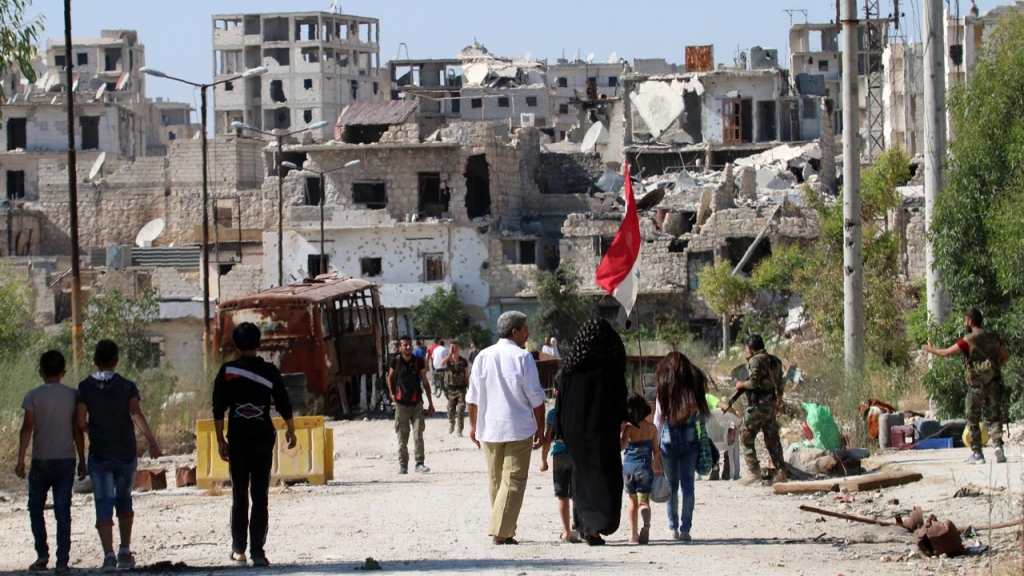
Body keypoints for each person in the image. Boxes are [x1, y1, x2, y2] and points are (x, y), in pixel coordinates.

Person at [213, 322, 297, 567]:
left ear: (236, 344)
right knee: (260, 496)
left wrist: (220, 439)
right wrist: (291, 430)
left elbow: (218, 408)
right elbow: (283, 403)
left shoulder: (227, 371)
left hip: (237, 439)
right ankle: (258, 552)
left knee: (239, 495)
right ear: (258, 343)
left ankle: (239, 551)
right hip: (262, 439)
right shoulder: (269, 371)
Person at [76, 340, 161, 572]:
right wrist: (152, 442)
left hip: (100, 454)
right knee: (124, 499)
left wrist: (92, 430)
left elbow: (80, 421)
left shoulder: (84, 387)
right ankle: (125, 550)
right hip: (125, 453)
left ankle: (109, 556)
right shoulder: (127, 386)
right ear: (117, 361)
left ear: (95, 361)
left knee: (103, 503)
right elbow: (136, 413)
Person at [467, 311, 546, 545]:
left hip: (490, 428)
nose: (527, 333)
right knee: (513, 481)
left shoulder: (482, 356)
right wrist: (540, 427)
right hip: (518, 427)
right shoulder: (523, 358)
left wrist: (473, 426)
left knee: (496, 480)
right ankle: (501, 532)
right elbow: (536, 397)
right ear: (515, 332)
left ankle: (504, 528)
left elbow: (473, 396)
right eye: (525, 329)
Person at [555, 318, 627, 546]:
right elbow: (620, 399)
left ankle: (584, 524)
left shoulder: (569, 366)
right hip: (602, 430)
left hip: (573, 429)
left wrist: (559, 429)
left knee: (581, 475)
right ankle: (594, 527)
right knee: (603, 476)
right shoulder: (609, 368)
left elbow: (561, 401)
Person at [17, 350, 85, 574]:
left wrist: (20, 459)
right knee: (63, 510)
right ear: (63, 372)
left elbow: (27, 429)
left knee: (35, 508)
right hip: (65, 460)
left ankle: (42, 554)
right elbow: (77, 430)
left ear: (41, 372)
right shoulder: (73, 395)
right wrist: (82, 460)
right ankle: (62, 560)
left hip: (41, 461)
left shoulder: (33, 396)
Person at [922, 307, 1010, 464]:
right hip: (994, 383)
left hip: (976, 386)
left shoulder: (968, 340)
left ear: (970, 320)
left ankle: (977, 454)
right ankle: (998, 446)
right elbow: (1005, 357)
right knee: (995, 417)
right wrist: (993, 370)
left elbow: (946, 353)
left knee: (973, 418)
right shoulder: (995, 336)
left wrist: (929, 349)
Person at [653, 351, 711, 541]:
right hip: (690, 439)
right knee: (688, 486)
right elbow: (703, 416)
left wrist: (654, 446)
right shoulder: (693, 385)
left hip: (669, 442)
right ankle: (686, 528)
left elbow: (659, 420)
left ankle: (673, 527)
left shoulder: (664, 386)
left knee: (671, 485)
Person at [734, 334, 786, 485]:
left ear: (750, 349)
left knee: (746, 436)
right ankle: (780, 472)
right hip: (771, 406)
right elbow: (781, 382)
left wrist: (741, 385)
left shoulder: (756, 360)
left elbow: (753, 384)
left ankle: (753, 471)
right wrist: (779, 400)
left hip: (759, 406)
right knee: (772, 439)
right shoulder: (775, 360)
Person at [387, 335, 435, 474]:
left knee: (418, 434)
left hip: (416, 404)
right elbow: (389, 377)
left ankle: (419, 463)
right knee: (402, 437)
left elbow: (425, 381)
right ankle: (403, 465)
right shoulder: (395, 362)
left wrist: (430, 403)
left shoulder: (418, 362)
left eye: (409, 345)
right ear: (400, 347)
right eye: (405, 345)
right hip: (401, 404)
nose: (408, 347)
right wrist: (391, 394)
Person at [621, 393, 661, 545]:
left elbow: (621, 446)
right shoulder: (652, 428)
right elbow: (656, 451)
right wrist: (655, 464)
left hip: (628, 467)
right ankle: (646, 526)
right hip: (644, 466)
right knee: (644, 502)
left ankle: (633, 534)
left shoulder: (629, 428)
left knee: (632, 501)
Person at [540, 387, 578, 544]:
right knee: (577, 493)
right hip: (576, 455)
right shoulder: (577, 411)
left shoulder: (552, 413)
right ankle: (577, 525)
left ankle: (566, 531)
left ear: (555, 391)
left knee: (562, 495)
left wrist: (543, 459)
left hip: (559, 455)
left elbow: (548, 438)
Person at [442, 340, 470, 436]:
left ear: (459, 348)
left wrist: (469, 387)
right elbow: (441, 364)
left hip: (461, 388)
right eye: (452, 347)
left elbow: (466, 375)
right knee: (450, 408)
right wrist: (449, 355)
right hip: (451, 389)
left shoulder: (463, 361)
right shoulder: (448, 361)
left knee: (461, 408)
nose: (454, 349)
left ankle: (459, 428)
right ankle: (451, 422)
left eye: (456, 347)